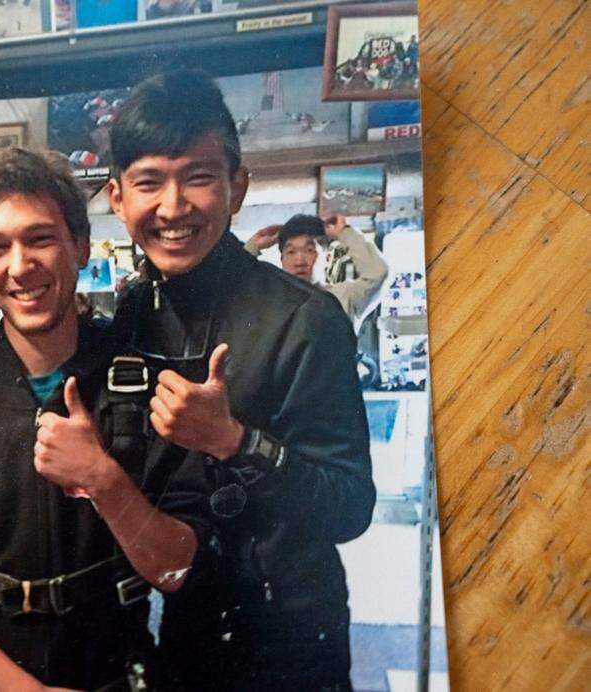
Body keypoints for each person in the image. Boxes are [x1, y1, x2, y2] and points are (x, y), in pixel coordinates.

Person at [0, 149, 209, 691]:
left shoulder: (149, 389)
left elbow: (177, 570)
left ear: (80, 246)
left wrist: (105, 481)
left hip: (114, 673)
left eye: (40, 239)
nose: (19, 266)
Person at [106, 69, 375, 691]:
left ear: (237, 185)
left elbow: (350, 506)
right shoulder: (131, 312)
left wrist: (235, 442)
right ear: (117, 198)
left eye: (197, 177)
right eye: (149, 182)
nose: (172, 208)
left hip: (289, 636)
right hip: (181, 624)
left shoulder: (306, 317)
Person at [245, 213, 388, 323]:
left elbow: (378, 273)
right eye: (291, 252)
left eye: (309, 250)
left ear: (327, 257)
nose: (299, 261)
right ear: (282, 260)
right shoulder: (268, 302)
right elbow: (229, 290)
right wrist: (252, 248)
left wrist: (345, 232)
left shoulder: (343, 298)